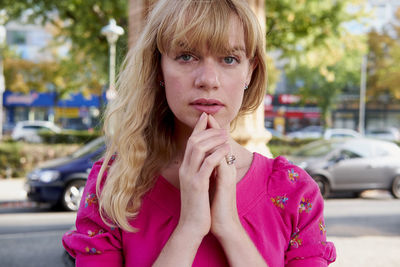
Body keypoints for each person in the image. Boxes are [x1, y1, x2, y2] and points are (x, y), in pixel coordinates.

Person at [62, 0, 336, 266]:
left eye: (229, 59)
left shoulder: (295, 192)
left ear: (249, 72)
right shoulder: (112, 186)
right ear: (159, 66)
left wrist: (229, 227)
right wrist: (190, 227)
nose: (208, 80)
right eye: (186, 56)